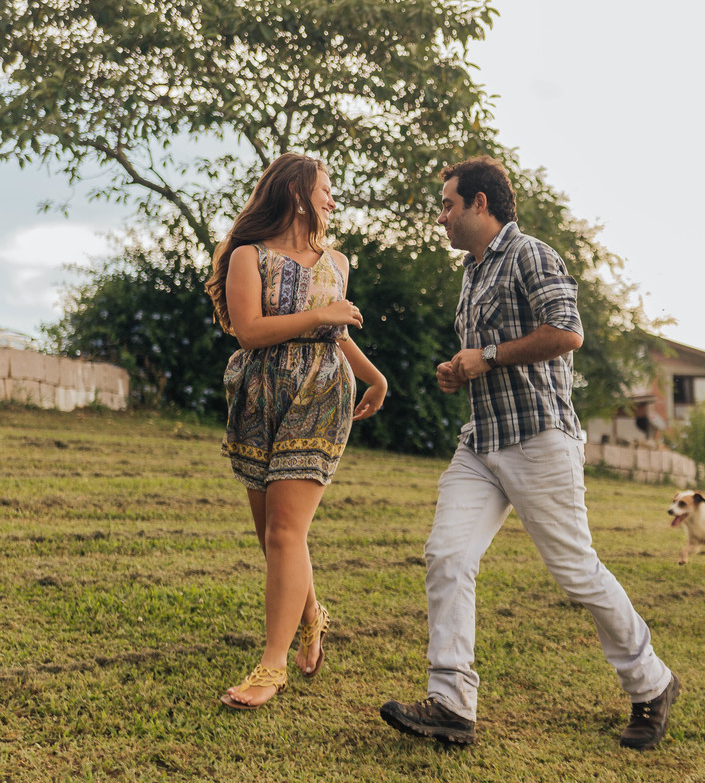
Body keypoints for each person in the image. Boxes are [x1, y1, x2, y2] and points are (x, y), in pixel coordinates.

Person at [379, 156, 679, 749]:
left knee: (575, 573)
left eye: (447, 205)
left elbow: (567, 333)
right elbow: (489, 353)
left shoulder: (531, 255)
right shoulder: (471, 271)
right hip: (481, 442)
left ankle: (651, 683)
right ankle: (451, 703)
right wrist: (461, 370)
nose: (441, 217)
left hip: (539, 438)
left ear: (480, 204)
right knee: (447, 555)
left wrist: (485, 356)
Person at [204, 153, 387, 710]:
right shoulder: (247, 257)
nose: (332, 198)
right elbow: (251, 332)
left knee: (286, 532)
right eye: (326, 188)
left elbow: (334, 333)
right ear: (297, 192)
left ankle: (272, 664)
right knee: (273, 537)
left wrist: (373, 376)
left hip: (321, 393)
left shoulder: (338, 262)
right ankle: (312, 616)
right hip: (261, 394)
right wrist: (321, 315)